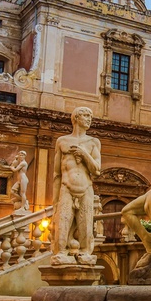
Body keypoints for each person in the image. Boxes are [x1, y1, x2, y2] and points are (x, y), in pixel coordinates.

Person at [51, 107, 101, 265]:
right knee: (63, 221)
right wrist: (54, 202)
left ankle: (86, 252)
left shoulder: (93, 142)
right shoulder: (62, 141)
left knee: (86, 223)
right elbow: (57, 174)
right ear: (76, 118)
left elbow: (97, 170)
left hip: (86, 187)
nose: (89, 119)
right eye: (86, 116)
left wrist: (84, 154)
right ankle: (61, 252)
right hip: (66, 186)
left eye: (90, 116)